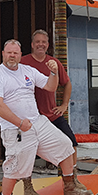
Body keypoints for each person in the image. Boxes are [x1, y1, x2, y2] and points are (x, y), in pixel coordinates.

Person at [0, 39, 93, 195]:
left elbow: (51, 86)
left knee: (66, 145)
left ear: (20, 55)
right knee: (14, 168)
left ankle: (70, 188)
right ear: (3, 54)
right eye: (9, 52)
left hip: (38, 122)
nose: (12, 56)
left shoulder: (28, 70)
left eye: (16, 53)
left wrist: (53, 72)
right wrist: (20, 123)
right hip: (15, 129)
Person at [20, 30, 81, 183]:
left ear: (47, 45)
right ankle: (26, 184)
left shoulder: (53, 63)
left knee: (71, 143)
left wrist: (64, 104)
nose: (41, 44)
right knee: (25, 151)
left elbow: (67, 83)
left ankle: (71, 179)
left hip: (52, 114)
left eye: (44, 42)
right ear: (32, 45)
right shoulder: (22, 63)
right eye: (38, 42)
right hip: (31, 118)